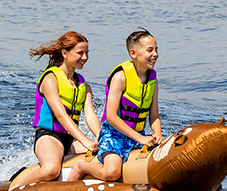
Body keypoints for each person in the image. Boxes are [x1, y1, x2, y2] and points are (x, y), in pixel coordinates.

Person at [67, 28, 161, 182]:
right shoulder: (120, 77)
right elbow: (110, 117)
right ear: (133, 53)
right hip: (114, 136)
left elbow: (154, 116)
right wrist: (140, 138)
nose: (155, 54)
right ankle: (81, 167)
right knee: (111, 172)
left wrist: (157, 134)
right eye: (150, 50)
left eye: (156, 50)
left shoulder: (153, 80)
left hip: (138, 136)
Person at [20, 31, 101, 184]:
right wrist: (85, 140)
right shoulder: (50, 79)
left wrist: (99, 137)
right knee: (51, 170)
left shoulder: (84, 86)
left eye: (87, 53)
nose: (85, 58)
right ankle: (13, 189)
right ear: (64, 53)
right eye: (80, 53)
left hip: (70, 140)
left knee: (105, 153)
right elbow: (61, 115)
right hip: (49, 136)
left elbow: (90, 115)